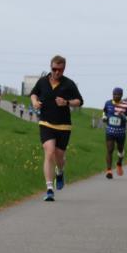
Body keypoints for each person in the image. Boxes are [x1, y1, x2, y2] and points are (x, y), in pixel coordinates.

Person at [29, 56, 83, 202]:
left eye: (60, 70)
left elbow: (79, 101)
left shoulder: (69, 84)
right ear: (50, 67)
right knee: (49, 152)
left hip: (63, 125)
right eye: (54, 69)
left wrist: (66, 102)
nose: (57, 72)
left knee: (59, 156)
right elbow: (34, 93)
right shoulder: (42, 81)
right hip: (46, 123)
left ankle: (60, 172)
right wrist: (34, 102)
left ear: (64, 69)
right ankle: (49, 189)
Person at [101, 87, 127, 179]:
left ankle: (119, 163)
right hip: (110, 131)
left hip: (121, 133)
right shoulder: (108, 103)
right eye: (114, 94)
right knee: (110, 150)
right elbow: (104, 112)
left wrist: (123, 117)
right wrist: (104, 117)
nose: (116, 96)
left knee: (120, 150)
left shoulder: (126, 105)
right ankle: (109, 170)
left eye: (118, 94)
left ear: (121, 95)